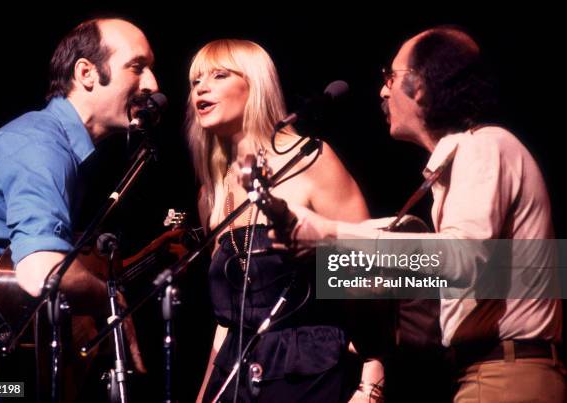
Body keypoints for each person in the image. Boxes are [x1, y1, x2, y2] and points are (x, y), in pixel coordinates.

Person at [286, 26, 565, 402]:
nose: (383, 91)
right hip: (486, 372)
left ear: (420, 85)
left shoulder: (485, 146)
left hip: (506, 375)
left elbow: (463, 258)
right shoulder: (465, 161)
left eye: (390, 77)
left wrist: (330, 233)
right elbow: (467, 276)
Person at [0, 17, 158, 389]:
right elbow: (41, 271)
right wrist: (110, 301)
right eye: (137, 67)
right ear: (87, 73)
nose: (153, 86)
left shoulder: (51, 144)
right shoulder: (41, 146)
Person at [186, 39, 388, 402]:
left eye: (218, 75)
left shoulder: (312, 159)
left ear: (255, 84)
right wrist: (205, 395)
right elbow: (228, 318)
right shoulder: (211, 192)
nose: (201, 87)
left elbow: (373, 276)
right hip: (238, 378)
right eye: (195, 80)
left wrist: (371, 380)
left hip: (310, 371)